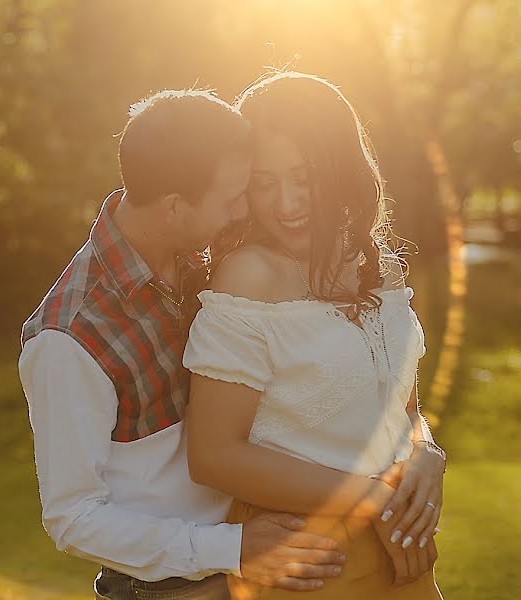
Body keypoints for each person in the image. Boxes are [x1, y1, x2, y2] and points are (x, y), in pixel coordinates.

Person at [18, 89, 353, 600]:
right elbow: (72, 517)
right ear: (176, 206)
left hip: (255, 567)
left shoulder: (202, 264)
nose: (246, 209)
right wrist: (231, 547)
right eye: (233, 197)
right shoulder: (70, 338)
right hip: (171, 589)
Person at [184, 71, 446, 599]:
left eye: (303, 176)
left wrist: (428, 454)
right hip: (308, 558)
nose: (287, 203)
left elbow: (402, 408)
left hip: (402, 552)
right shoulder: (246, 278)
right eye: (264, 182)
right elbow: (212, 455)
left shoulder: (381, 267)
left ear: (340, 166)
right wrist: (370, 497)